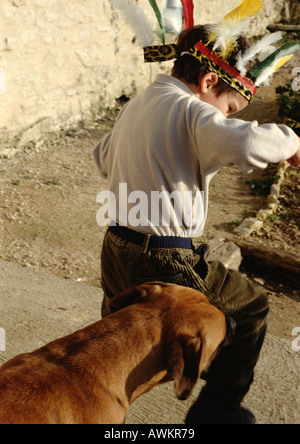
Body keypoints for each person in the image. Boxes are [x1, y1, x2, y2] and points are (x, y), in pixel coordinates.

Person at [93, 1, 300, 424]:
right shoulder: (192, 110)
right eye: (229, 108)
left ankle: (92, 394)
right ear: (208, 80)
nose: (225, 118)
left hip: (114, 248)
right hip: (164, 256)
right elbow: (246, 144)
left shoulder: (139, 103)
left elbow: (101, 156)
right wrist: (292, 141)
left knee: (114, 344)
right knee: (252, 306)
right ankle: (217, 413)